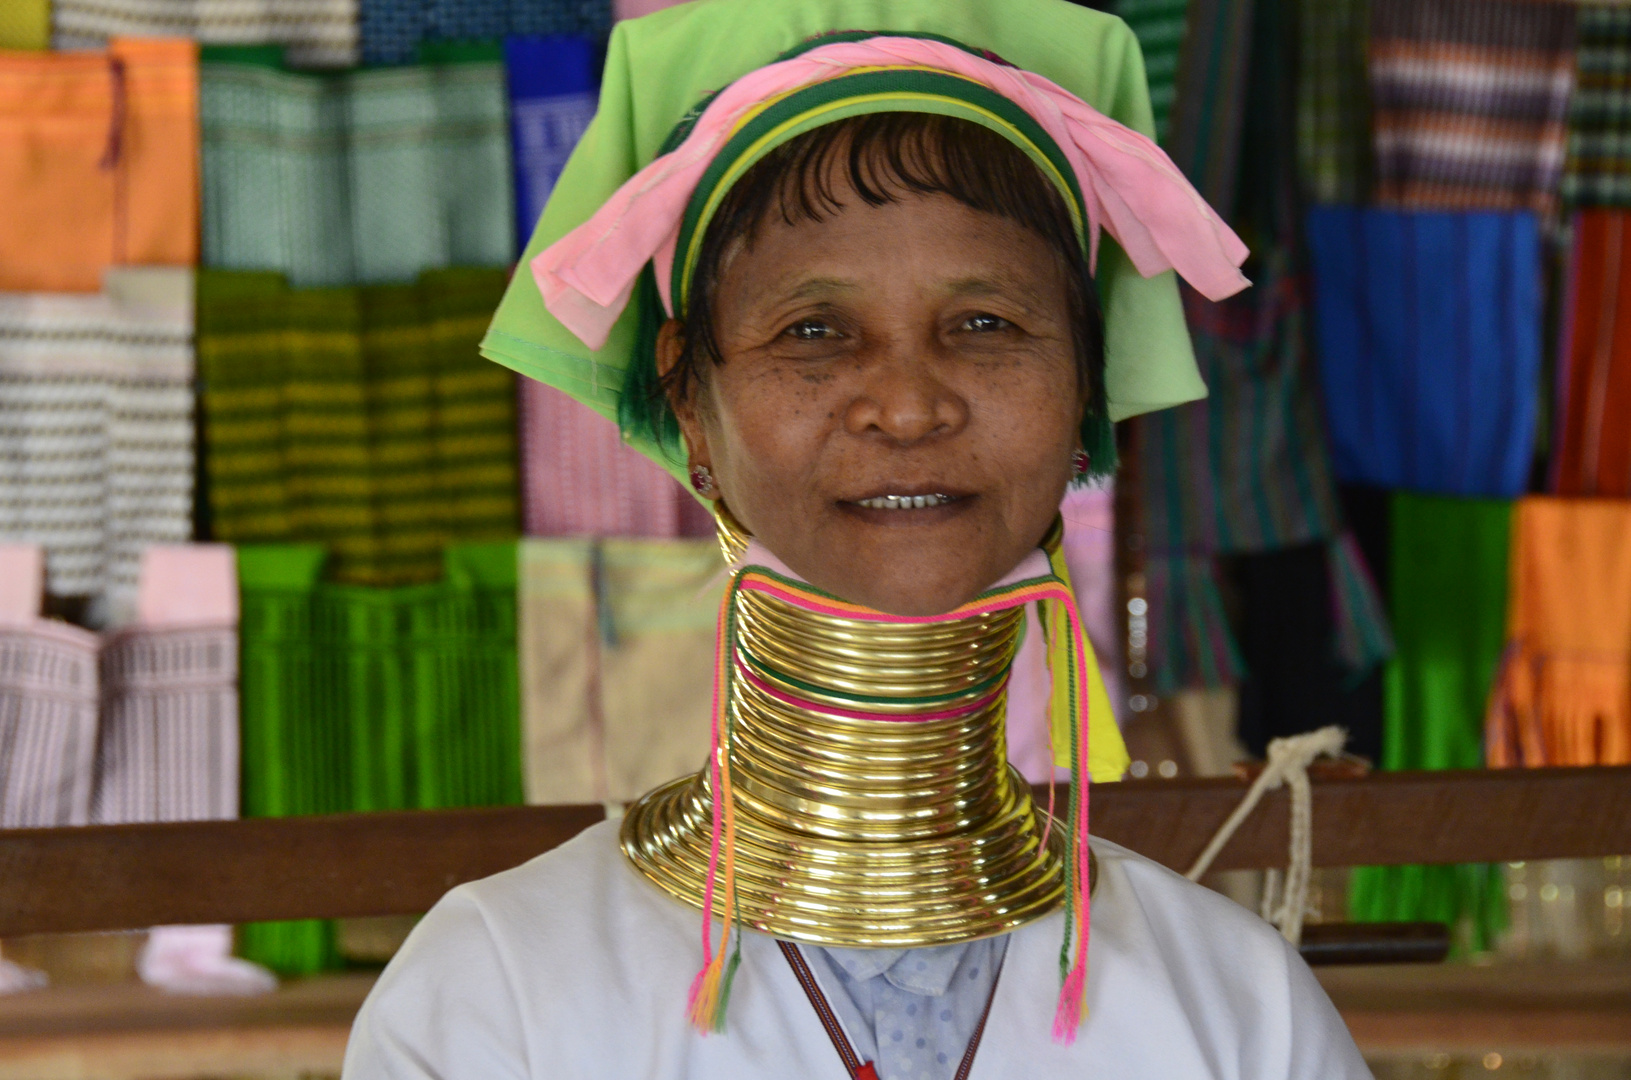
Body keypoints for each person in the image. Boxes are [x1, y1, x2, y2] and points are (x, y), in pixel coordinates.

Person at [344, 1, 1371, 1077]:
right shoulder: (496, 993)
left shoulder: (1236, 1007)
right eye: (813, 332)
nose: (908, 406)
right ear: (688, 405)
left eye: (985, 324)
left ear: (1082, 395)